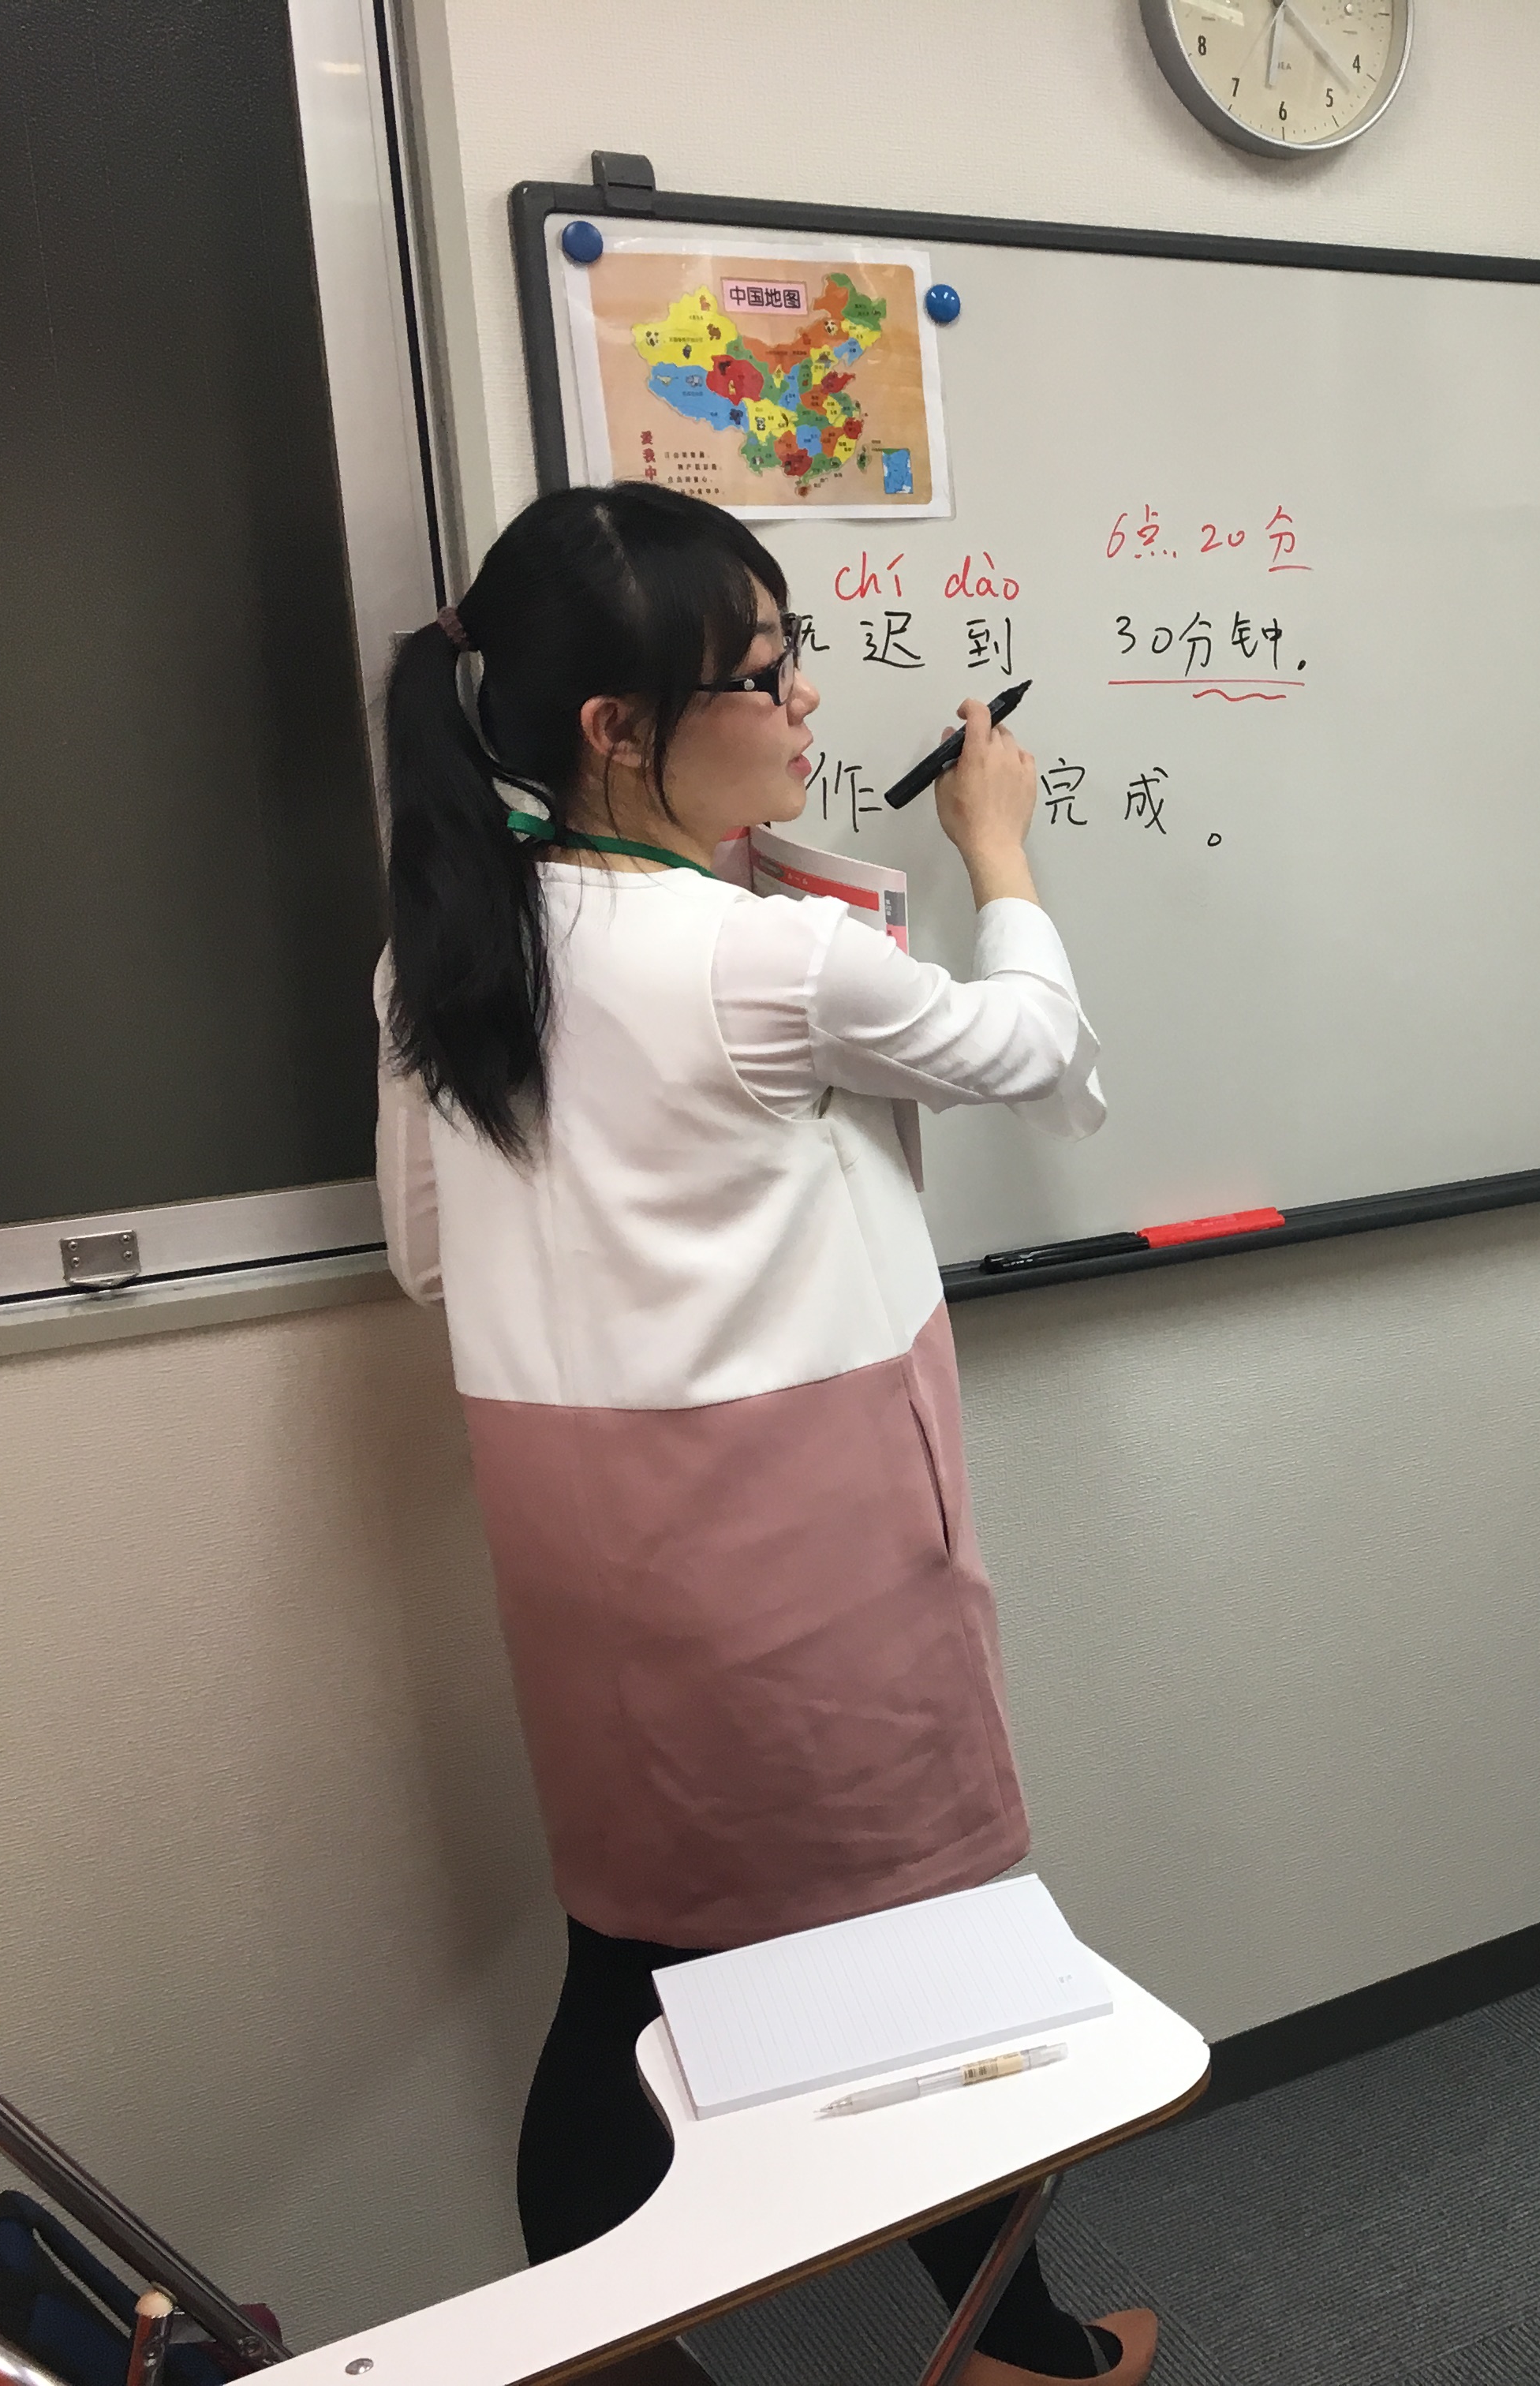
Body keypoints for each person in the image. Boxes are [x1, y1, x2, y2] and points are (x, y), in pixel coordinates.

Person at [376, 484, 1149, 2386]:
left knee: (634, 1963)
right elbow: (1044, 1060)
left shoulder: (451, 950)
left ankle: (641, 2352)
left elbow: (422, 1256)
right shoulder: (761, 959)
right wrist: (997, 848)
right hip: (805, 1560)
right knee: (931, 1955)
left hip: (593, 1567)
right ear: (615, 727)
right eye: (763, 675)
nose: (805, 706)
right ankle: (1017, 2351)